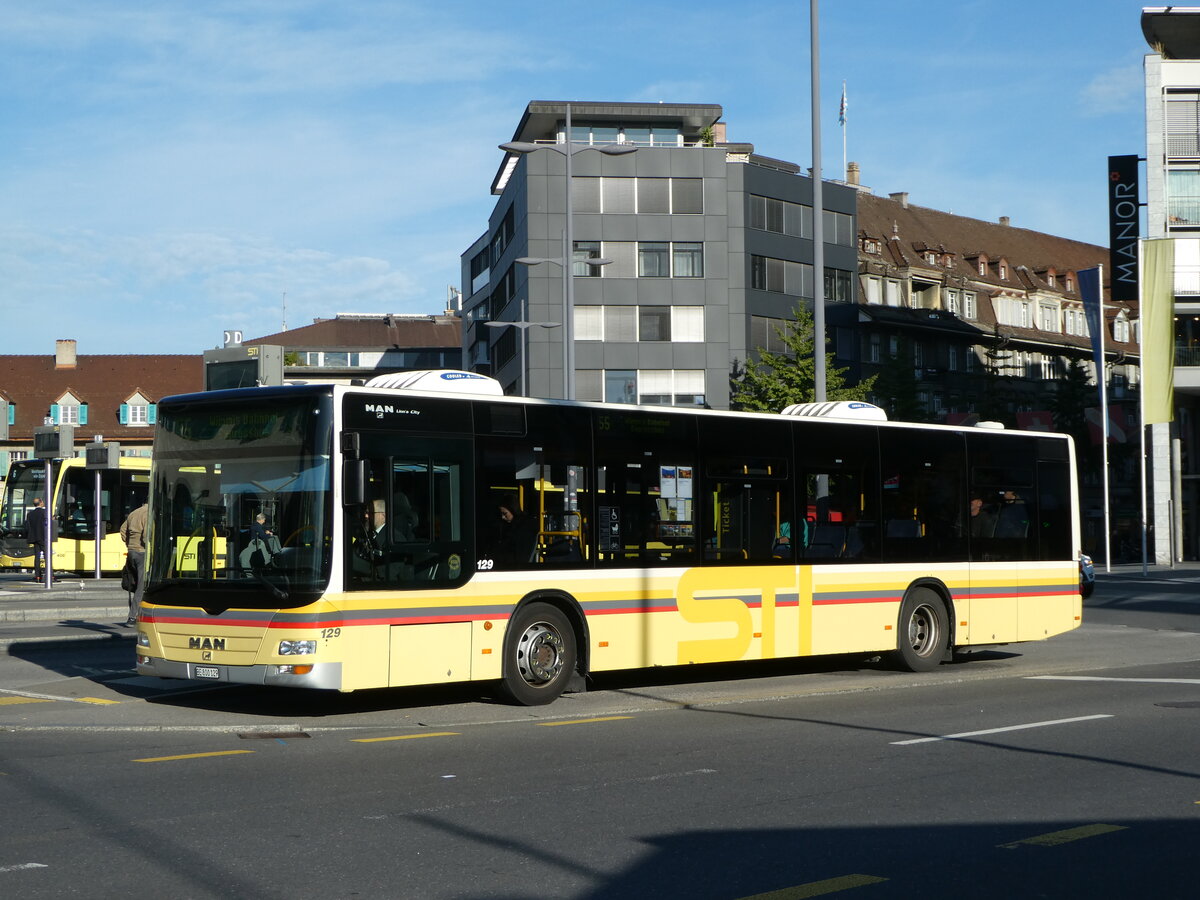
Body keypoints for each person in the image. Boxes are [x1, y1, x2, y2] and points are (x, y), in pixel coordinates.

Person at [120, 502, 149, 625]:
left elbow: (122, 530)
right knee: (141, 587)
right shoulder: (148, 513)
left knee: (136, 583)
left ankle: (139, 613)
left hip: (131, 551)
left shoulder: (134, 512)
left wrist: (129, 544)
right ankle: (132, 617)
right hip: (141, 552)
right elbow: (146, 535)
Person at [495, 494, 538, 566]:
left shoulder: (523, 528)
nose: (503, 517)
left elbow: (520, 555)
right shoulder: (511, 526)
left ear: (513, 509)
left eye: (505, 513)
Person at [25, 497, 53, 582]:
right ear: (40, 503)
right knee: (47, 556)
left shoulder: (30, 514)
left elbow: (28, 527)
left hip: (34, 538)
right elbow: (47, 525)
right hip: (43, 537)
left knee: (37, 557)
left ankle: (37, 576)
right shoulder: (45, 513)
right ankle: (50, 575)